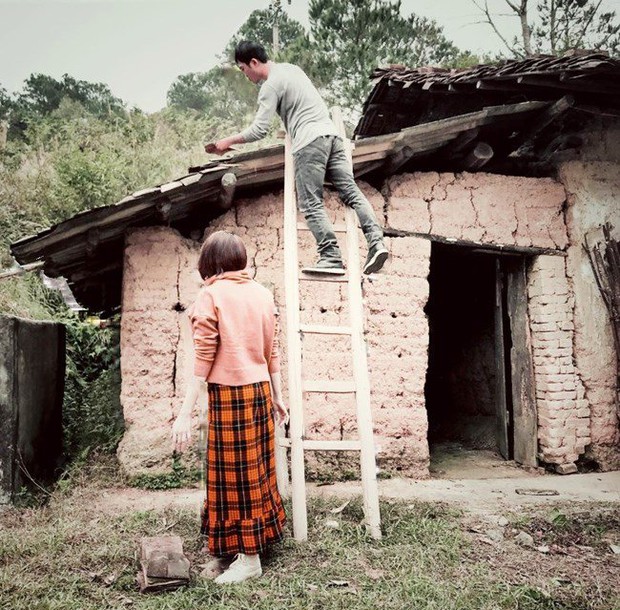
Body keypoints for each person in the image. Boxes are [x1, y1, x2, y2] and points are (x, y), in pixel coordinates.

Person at [206, 40, 389, 276]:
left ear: (253, 62)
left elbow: (259, 130)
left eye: (243, 69)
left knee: (310, 202)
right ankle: (376, 242)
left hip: (309, 143)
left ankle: (330, 256)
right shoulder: (292, 69)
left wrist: (227, 141)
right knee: (351, 192)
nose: (245, 75)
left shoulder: (270, 86)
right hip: (332, 137)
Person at [172, 230, 287, 585]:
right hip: (259, 392)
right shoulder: (263, 293)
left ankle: (249, 560)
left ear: (210, 263)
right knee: (255, 473)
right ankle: (239, 547)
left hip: (229, 397)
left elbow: (203, 360)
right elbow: (273, 352)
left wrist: (184, 412)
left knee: (235, 478)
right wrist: (278, 397)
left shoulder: (211, 296)